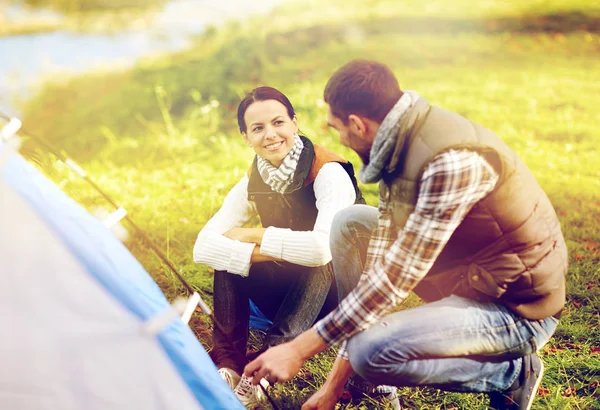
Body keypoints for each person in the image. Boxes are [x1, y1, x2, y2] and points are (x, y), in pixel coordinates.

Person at [244, 60, 568, 410]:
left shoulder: (448, 162)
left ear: (357, 124)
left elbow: (395, 278)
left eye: (337, 129)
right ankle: (363, 372)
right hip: (475, 275)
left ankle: (512, 374)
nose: (338, 139)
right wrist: (332, 388)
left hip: (517, 308)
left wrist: (298, 348)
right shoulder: (397, 143)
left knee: (372, 353)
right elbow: (378, 267)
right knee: (350, 222)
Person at [193, 86, 365, 408]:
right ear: (246, 137)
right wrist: (253, 252)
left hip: (339, 298)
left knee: (323, 251)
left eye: (278, 122)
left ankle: (266, 367)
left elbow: (320, 251)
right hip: (287, 293)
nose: (270, 135)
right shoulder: (255, 179)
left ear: (294, 123)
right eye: (257, 128)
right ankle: (227, 365)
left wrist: (255, 233)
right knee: (229, 258)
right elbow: (202, 247)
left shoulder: (328, 172)